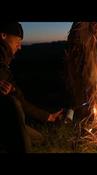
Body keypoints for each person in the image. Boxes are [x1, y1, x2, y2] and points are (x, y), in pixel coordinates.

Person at [0, 22, 64, 153]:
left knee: (38, 138)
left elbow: (21, 99)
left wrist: (48, 117)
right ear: (3, 35)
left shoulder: (5, 65)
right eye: (17, 41)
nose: (20, 47)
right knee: (13, 103)